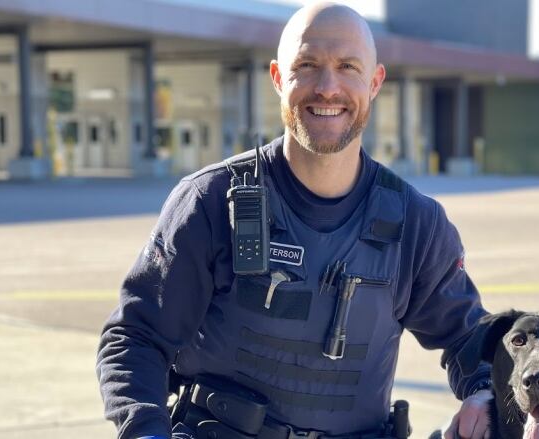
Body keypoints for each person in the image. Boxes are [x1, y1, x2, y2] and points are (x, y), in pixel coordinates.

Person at [96, 3, 493, 439]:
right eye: (307, 65)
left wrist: (484, 392)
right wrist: (147, 431)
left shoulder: (417, 225)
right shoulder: (209, 202)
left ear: (375, 81)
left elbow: (470, 341)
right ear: (277, 78)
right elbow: (136, 338)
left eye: (347, 67)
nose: (327, 87)